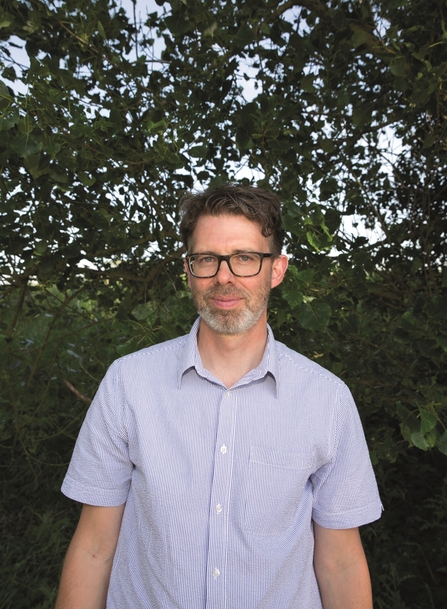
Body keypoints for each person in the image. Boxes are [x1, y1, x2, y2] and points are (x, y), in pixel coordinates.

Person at [55, 184, 382, 609]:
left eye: (245, 258)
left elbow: (340, 563)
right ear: (189, 270)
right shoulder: (127, 384)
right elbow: (94, 548)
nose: (224, 276)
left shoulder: (327, 400)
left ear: (277, 269)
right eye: (207, 258)